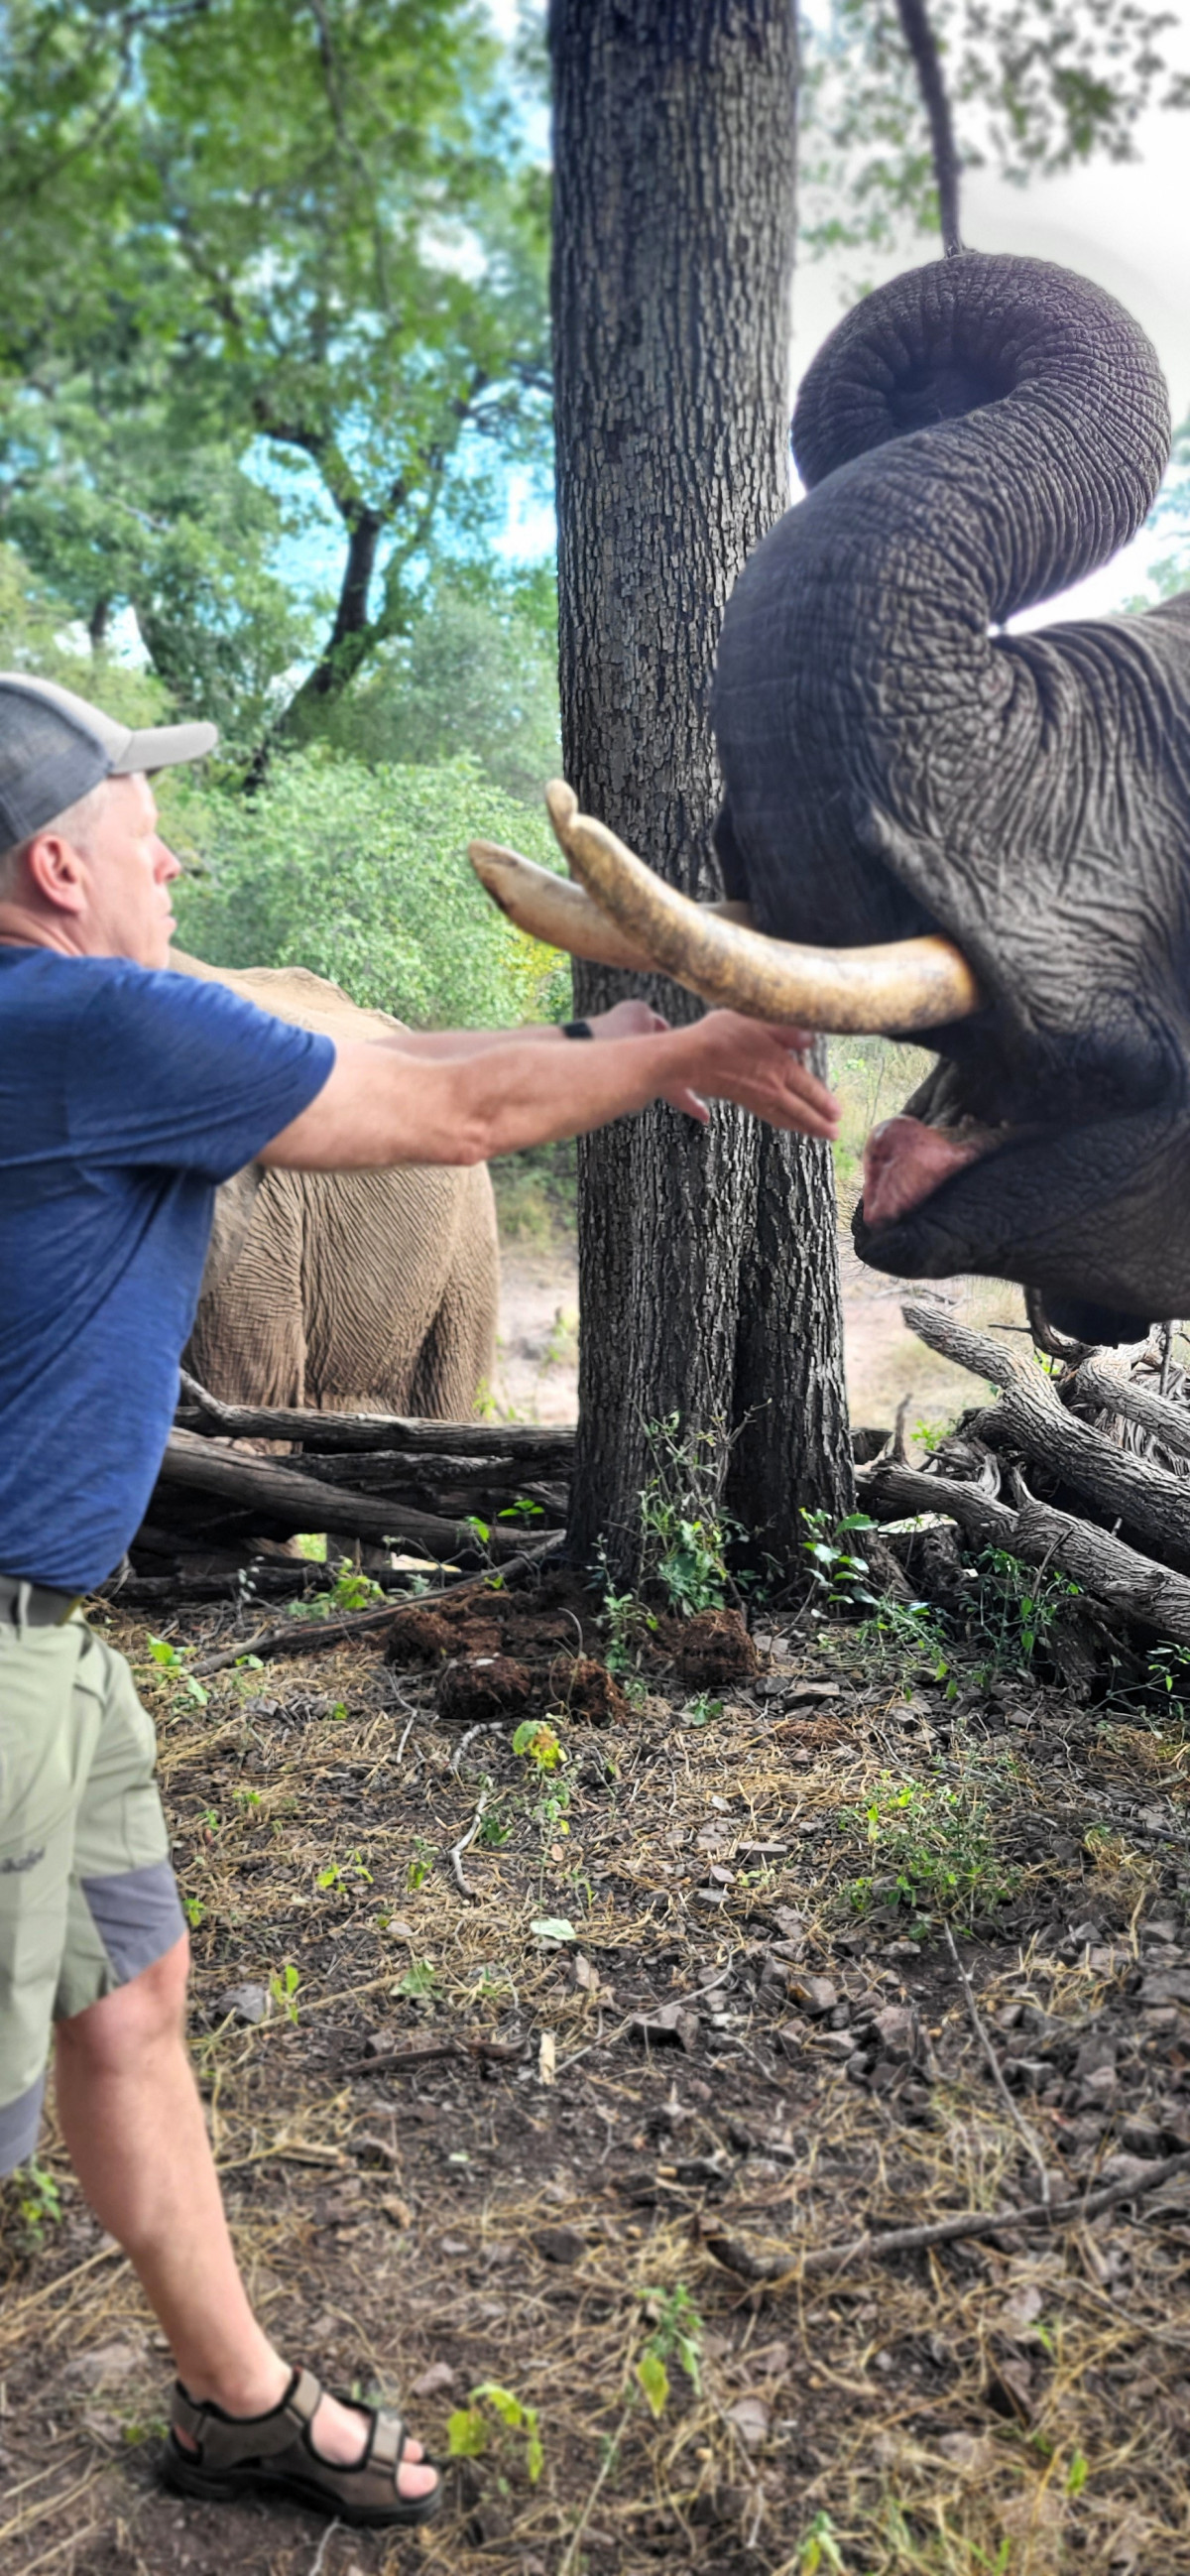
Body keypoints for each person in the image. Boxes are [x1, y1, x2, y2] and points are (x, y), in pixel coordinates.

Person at [0, 673, 840, 2529]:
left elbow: (397, 1069)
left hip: (54, 1651)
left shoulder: (64, 1027)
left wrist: (615, 1031)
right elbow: (451, 1110)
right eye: (139, 811)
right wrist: (677, 1055)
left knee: (131, 2004)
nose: (168, 837)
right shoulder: (77, 1022)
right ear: (57, 866)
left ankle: (234, 2406)